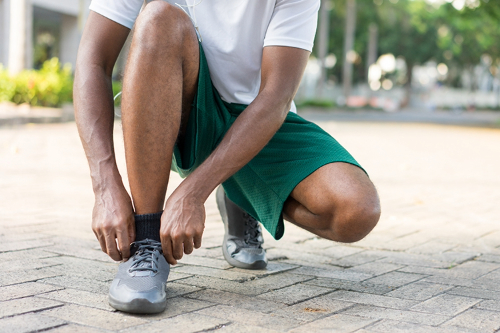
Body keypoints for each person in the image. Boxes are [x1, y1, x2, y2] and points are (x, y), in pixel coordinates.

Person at [74, 0, 381, 314]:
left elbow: (275, 96)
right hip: (182, 108)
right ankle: (147, 240)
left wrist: (193, 193)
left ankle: (240, 194)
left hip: (258, 118)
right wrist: (105, 187)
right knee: (158, 17)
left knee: (356, 211)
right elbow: (93, 61)